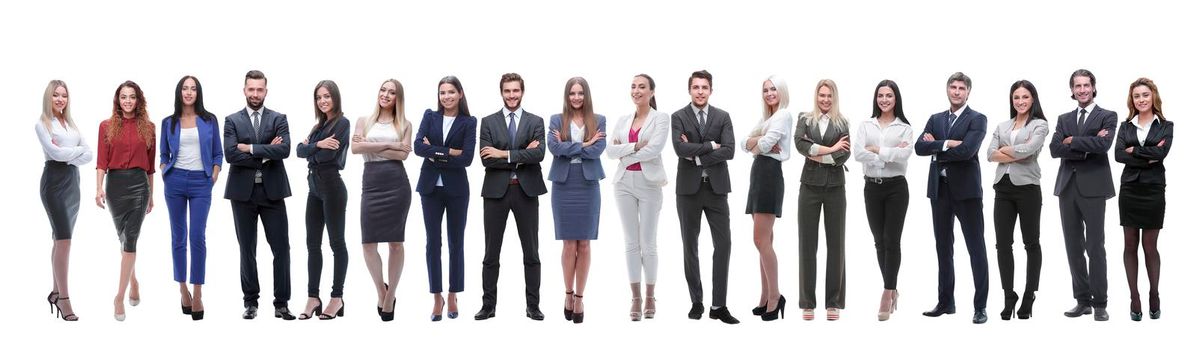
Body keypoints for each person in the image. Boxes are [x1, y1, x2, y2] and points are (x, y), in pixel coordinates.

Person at [914, 72, 990, 324]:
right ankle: (946, 302)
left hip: (967, 192)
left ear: (968, 92)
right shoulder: (935, 119)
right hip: (940, 191)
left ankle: (980, 307)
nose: (956, 92)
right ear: (947, 89)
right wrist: (947, 143)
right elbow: (918, 148)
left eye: (961, 88)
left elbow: (968, 151)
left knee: (976, 249)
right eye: (953, 87)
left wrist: (936, 145)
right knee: (943, 248)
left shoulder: (977, 119)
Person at [475, 73, 547, 321]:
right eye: (507, 91)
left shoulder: (536, 121)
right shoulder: (487, 122)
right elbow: (486, 158)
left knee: (532, 252)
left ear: (522, 92)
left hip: (526, 192)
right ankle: (488, 305)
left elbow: (538, 155)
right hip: (495, 193)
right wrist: (519, 154)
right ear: (501, 92)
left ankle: (533, 305)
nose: (512, 95)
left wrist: (503, 154)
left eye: (515, 91)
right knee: (491, 252)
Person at [224, 70, 295, 320]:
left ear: (266, 90)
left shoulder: (279, 118)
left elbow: (284, 149)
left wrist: (250, 148)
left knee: (282, 249)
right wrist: (267, 152)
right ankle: (250, 302)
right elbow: (230, 154)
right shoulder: (232, 120)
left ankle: (281, 304)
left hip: (272, 192)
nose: (255, 94)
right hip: (242, 194)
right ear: (244, 90)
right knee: (247, 249)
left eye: (260, 89)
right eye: (251, 89)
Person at [672, 70, 740, 324]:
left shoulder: (723, 117)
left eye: (704, 87)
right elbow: (679, 148)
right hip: (687, 191)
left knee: (724, 245)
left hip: (716, 189)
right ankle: (697, 302)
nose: (700, 91)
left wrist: (698, 155)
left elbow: (731, 150)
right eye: (696, 87)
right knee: (690, 246)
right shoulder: (678, 116)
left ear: (711, 90)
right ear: (689, 89)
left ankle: (718, 305)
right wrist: (713, 146)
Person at [1050, 69, 1117, 322]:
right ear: (1072, 90)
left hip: (1094, 188)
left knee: (1095, 246)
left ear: (1093, 87)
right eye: (1077, 86)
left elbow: (1104, 145)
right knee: (1073, 246)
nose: (1082, 90)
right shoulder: (1063, 117)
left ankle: (1100, 303)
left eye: (1086, 85)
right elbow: (1055, 149)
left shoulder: (1107, 116)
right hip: (1067, 187)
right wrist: (1084, 142)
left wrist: (1072, 142)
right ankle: (1082, 300)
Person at [159, 75, 223, 321]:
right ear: (179, 92)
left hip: (201, 182)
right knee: (178, 237)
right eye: (184, 88)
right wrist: (165, 170)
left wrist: (213, 175)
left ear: (198, 93)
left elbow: (218, 153)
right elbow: (164, 153)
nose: (188, 92)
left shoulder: (209, 120)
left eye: (193, 89)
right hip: (174, 181)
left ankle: (197, 292)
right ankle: (182, 289)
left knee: (197, 236)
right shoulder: (169, 122)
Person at [413, 76, 477, 321]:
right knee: (432, 243)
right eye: (442, 92)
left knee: (456, 243)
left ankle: (453, 294)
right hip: (430, 188)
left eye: (451, 92)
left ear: (460, 93)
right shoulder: (430, 116)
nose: (446, 97)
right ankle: (436, 296)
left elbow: (468, 158)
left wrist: (434, 152)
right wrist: (450, 151)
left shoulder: (469, 122)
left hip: (457, 190)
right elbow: (418, 147)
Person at [607, 74, 669, 321]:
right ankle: (635, 298)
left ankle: (651, 295)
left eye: (642, 87)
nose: (636, 90)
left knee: (648, 242)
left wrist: (624, 153)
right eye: (633, 86)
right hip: (623, 183)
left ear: (652, 92)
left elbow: (654, 149)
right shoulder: (623, 120)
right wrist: (633, 147)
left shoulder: (661, 118)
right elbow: (610, 151)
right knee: (631, 242)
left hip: (649, 184)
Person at [985, 80, 1049, 320]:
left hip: (1028, 189)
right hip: (1003, 188)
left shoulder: (1040, 124)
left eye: (1024, 97)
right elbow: (989, 154)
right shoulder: (1002, 125)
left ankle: (1029, 294)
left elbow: (1030, 150)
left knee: (1031, 243)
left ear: (1033, 99)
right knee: (1002, 244)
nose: (1020, 102)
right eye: (1016, 98)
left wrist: (1006, 151)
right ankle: (1008, 295)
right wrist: (1016, 151)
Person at [351, 78, 413, 322]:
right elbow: (355, 150)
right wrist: (391, 144)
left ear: (398, 98)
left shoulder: (405, 124)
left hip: (396, 184)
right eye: (383, 90)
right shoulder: (363, 121)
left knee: (395, 243)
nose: (386, 95)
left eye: (392, 92)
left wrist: (371, 144)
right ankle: (380, 289)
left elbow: (404, 155)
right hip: (372, 183)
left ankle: (391, 296)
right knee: (368, 244)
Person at [546, 77, 606, 324]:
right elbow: (553, 148)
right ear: (567, 95)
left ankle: (580, 297)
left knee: (585, 245)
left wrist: (570, 145)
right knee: (569, 244)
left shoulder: (599, 120)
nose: (577, 97)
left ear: (586, 95)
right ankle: (568, 294)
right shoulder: (555, 120)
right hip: (563, 184)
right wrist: (584, 143)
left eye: (580, 93)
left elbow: (597, 150)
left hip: (588, 185)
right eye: (572, 93)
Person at [853, 80, 913, 321]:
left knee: (892, 240)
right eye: (881, 95)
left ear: (896, 98)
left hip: (896, 189)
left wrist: (875, 150)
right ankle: (892, 286)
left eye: (889, 95)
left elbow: (905, 155)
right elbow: (858, 153)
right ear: (876, 98)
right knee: (879, 241)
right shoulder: (865, 125)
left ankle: (887, 293)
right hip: (872, 188)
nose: (885, 99)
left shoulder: (905, 128)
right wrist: (887, 154)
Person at [96, 80, 156, 321]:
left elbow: (151, 167)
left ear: (138, 100)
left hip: (140, 185)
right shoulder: (106, 126)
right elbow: (101, 161)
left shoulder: (149, 127)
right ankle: (133, 280)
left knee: (131, 238)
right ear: (117, 100)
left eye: (132, 97)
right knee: (123, 237)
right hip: (115, 187)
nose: (128, 101)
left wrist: (152, 195)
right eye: (124, 97)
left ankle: (118, 296)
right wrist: (98, 188)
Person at [792, 79, 851, 321]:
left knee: (836, 245)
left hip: (835, 188)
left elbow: (844, 154)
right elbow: (799, 144)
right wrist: (829, 148)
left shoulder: (843, 122)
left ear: (834, 97)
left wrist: (815, 152)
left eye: (829, 96)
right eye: (821, 95)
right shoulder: (804, 118)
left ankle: (833, 302)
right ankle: (807, 302)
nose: (825, 100)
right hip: (809, 187)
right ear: (816, 96)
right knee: (807, 244)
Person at [1114, 78, 1172, 321]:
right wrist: (1147, 155)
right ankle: (1134, 297)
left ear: (1153, 96)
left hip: (1153, 190)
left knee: (1150, 246)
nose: (1141, 99)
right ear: (1132, 100)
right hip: (1129, 189)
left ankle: (1154, 294)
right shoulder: (1125, 126)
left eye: (1145, 95)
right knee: (1129, 245)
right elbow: (1118, 155)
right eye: (1137, 96)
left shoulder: (1166, 125)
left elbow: (1162, 153)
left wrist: (1134, 151)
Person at [36, 80, 92, 322]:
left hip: (73, 184)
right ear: (49, 98)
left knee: (60, 241)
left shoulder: (70, 125)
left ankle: (55, 291)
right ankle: (65, 299)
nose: (60, 99)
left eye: (64, 95)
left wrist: (70, 155)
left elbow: (89, 154)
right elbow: (55, 154)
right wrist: (75, 153)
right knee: (64, 240)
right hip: (54, 184)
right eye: (56, 95)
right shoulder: (42, 124)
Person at [296, 80, 352, 320]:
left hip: (332, 187)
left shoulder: (342, 123)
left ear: (335, 98)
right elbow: (299, 150)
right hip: (313, 188)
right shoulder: (319, 127)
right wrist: (316, 144)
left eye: (327, 96)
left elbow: (330, 155)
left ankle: (337, 297)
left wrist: (312, 150)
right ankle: (312, 297)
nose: (323, 101)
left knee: (336, 243)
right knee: (311, 244)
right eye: (319, 97)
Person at [742, 75, 793, 322]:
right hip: (759, 173)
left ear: (782, 91)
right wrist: (755, 143)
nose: (770, 93)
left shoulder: (782, 115)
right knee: (764, 240)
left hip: (769, 175)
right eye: (765, 90)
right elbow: (745, 143)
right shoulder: (767, 118)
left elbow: (767, 144)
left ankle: (775, 296)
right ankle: (765, 295)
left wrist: (756, 144)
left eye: (774, 89)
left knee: (760, 239)